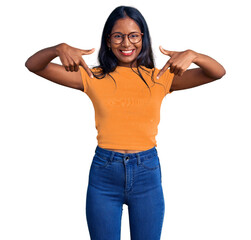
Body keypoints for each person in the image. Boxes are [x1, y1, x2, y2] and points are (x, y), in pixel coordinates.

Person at [25, 5, 226, 240]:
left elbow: (217, 72)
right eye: (118, 36)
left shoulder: (161, 77)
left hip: (146, 174)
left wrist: (194, 55)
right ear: (108, 41)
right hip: (104, 174)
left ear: (143, 38)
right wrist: (57, 49)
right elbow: (33, 65)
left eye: (133, 35)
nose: (126, 44)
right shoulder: (92, 76)